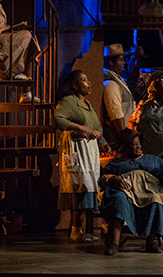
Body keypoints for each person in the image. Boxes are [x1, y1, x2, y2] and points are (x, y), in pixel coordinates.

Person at [100, 128, 163, 256]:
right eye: (134, 144)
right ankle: (114, 242)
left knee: (156, 198)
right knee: (119, 199)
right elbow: (103, 179)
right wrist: (114, 179)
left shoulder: (153, 160)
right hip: (126, 192)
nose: (139, 147)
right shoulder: (116, 164)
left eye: (139, 143)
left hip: (148, 191)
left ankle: (152, 241)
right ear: (124, 148)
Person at [54, 69, 105, 243]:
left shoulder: (87, 104)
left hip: (89, 151)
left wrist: (99, 134)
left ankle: (83, 229)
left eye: (88, 79)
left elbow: (96, 126)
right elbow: (58, 119)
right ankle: (75, 229)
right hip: (76, 150)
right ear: (75, 86)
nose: (89, 83)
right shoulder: (69, 101)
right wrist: (80, 128)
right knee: (79, 187)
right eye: (84, 80)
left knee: (88, 189)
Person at [101, 44, 136, 142]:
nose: (124, 63)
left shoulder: (117, 78)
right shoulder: (110, 83)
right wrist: (124, 138)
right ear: (111, 62)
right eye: (121, 60)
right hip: (121, 136)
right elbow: (115, 113)